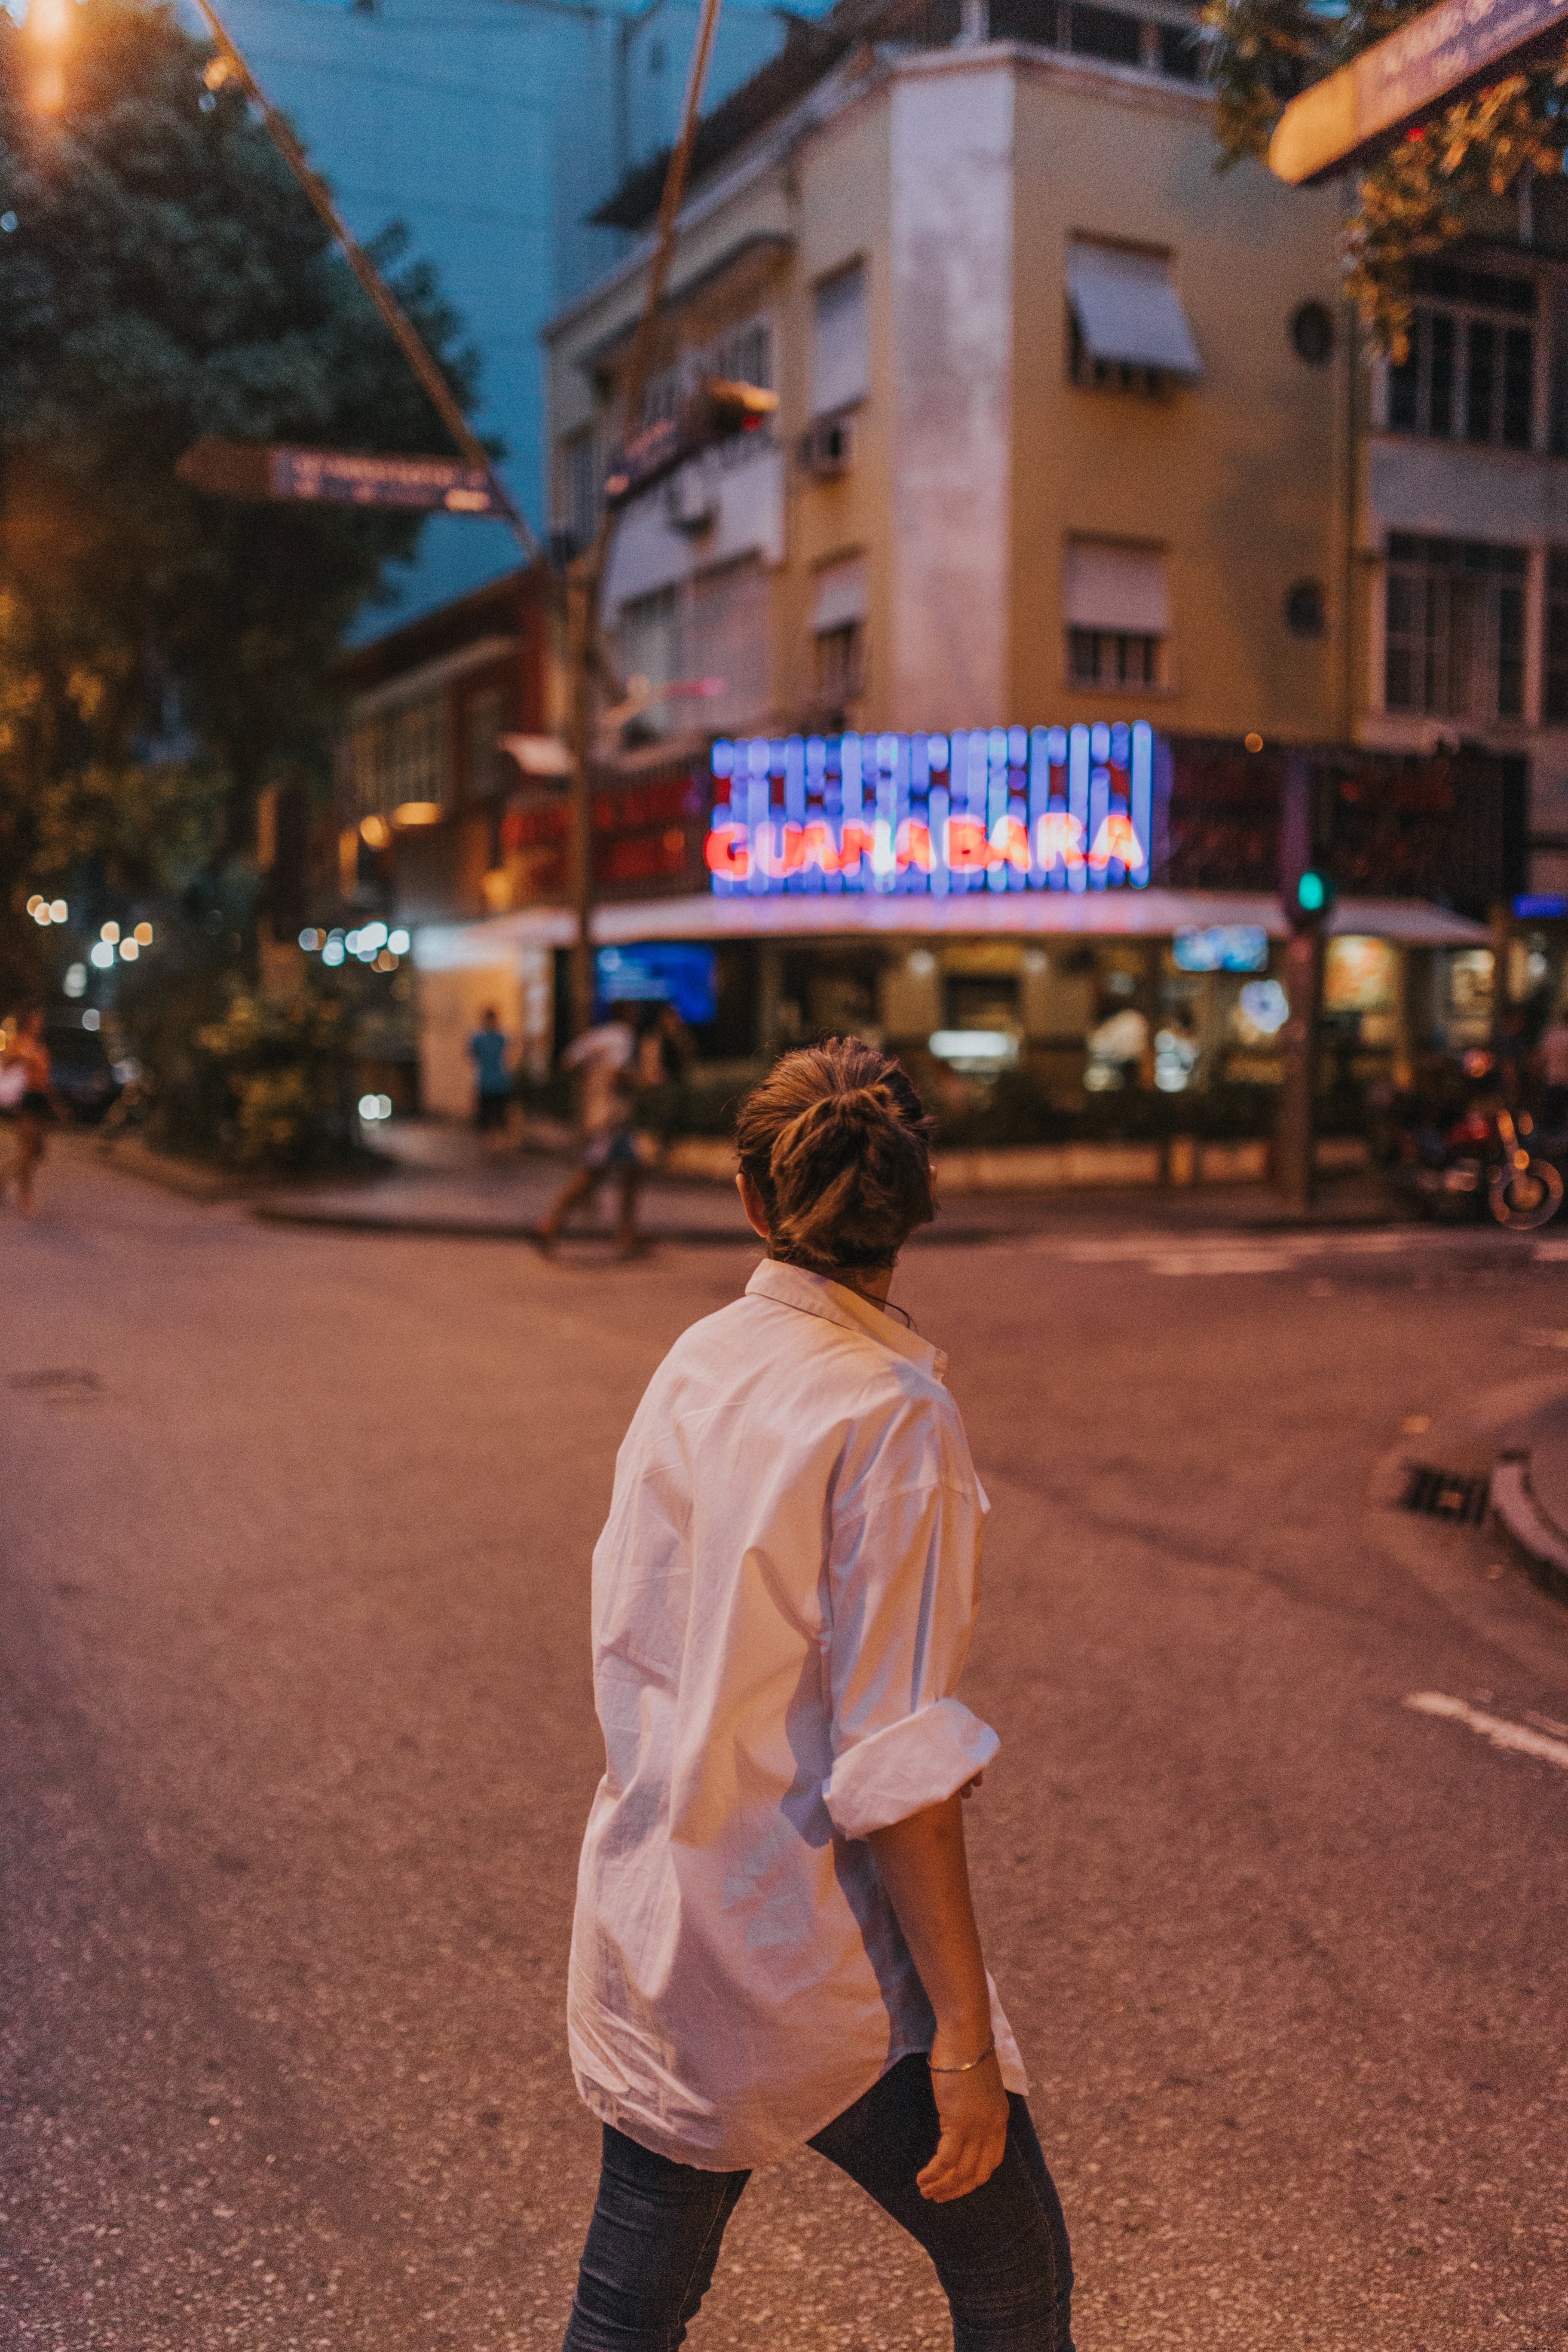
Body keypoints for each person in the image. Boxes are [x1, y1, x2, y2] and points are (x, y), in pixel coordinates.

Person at [559, 1037, 1074, 2352]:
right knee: (1013, 2277)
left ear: (752, 1199)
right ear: (916, 1201)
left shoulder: (700, 1357)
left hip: (665, 1920)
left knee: (630, 2310)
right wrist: (962, 2035)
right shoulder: (891, 1414)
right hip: (810, 1956)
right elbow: (894, 1762)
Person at [537, 1005, 643, 1257]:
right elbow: (617, 1075)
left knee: (631, 1171)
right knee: (591, 1174)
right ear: (628, 1015)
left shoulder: (596, 1037)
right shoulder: (623, 1037)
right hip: (613, 1119)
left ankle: (626, 1232)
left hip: (598, 1114)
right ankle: (551, 1223)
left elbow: (568, 1061)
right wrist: (643, 1079)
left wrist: (590, 1080)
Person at [1, 1009, 67, 1216]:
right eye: (37, 1018)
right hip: (28, 1099)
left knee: (38, 1152)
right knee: (27, 1151)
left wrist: (58, 1106)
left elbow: (46, 1080)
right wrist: (20, 1057)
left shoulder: (40, 1046)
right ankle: (25, 1195)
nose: (40, 1022)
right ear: (28, 1021)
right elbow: (6, 1063)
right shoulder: (19, 1043)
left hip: (41, 1101)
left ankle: (3, 1173)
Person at [468, 1006, 513, 1151]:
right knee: (486, 1114)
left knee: (499, 1113)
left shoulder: (501, 1037)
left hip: (499, 1081)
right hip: (486, 1081)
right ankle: (488, 1144)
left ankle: (498, 1143)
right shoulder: (479, 1038)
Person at [1536, 1003, 1568, 1136]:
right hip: (1566, 1081)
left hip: (1552, 1081)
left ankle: (1548, 1148)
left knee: (1551, 1120)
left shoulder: (1550, 1034)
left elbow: (1540, 1059)